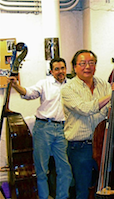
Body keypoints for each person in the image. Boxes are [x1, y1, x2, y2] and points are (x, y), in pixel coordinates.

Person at [61, 49, 114, 199]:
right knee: (83, 190)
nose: (87, 67)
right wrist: (111, 95)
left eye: (91, 63)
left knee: (103, 187)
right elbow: (85, 108)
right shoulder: (68, 89)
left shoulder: (103, 84)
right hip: (80, 147)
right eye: (82, 63)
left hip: (103, 144)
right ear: (75, 67)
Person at [7, 57, 72, 199]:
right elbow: (29, 93)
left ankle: (62, 197)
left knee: (65, 168)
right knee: (42, 169)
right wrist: (16, 86)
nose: (60, 71)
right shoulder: (44, 84)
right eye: (57, 69)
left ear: (66, 69)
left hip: (63, 129)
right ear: (51, 71)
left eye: (62, 68)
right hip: (44, 128)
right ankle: (43, 197)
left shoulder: (72, 85)